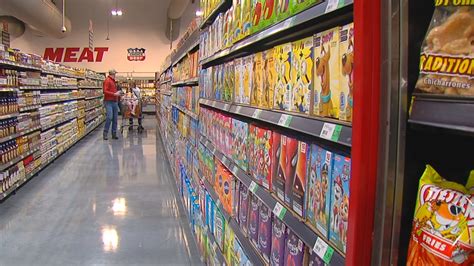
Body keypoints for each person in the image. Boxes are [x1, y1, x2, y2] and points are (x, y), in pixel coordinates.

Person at [103, 69, 121, 140]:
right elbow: (105, 91)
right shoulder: (107, 80)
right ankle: (105, 133)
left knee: (115, 118)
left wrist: (118, 93)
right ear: (112, 74)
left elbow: (112, 90)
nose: (115, 75)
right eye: (115, 74)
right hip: (109, 101)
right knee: (109, 117)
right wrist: (114, 94)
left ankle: (114, 133)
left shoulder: (113, 81)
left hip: (115, 101)